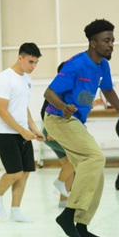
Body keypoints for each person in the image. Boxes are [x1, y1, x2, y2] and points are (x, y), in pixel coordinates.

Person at [43, 18, 119, 237]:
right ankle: (68, 214)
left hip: (76, 121)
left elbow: (109, 91)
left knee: (95, 169)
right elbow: (48, 93)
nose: (111, 44)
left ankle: (82, 224)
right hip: (58, 118)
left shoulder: (103, 64)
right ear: (93, 43)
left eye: (112, 40)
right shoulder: (75, 64)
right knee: (95, 157)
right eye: (106, 40)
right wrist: (64, 107)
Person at [0, 43, 45, 223]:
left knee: (26, 172)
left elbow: (23, 107)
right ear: (20, 57)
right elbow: (2, 111)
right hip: (5, 133)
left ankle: (15, 210)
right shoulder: (4, 78)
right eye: (30, 61)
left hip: (23, 131)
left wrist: (34, 128)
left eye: (36, 62)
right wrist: (22, 131)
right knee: (14, 172)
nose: (33, 66)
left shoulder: (27, 79)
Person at [40, 63, 75, 208]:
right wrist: (51, 131)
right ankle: (60, 183)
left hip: (60, 132)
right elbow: (44, 111)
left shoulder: (68, 88)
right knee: (73, 162)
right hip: (53, 132)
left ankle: (63, 201)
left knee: (69, 164)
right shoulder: (56, 89)